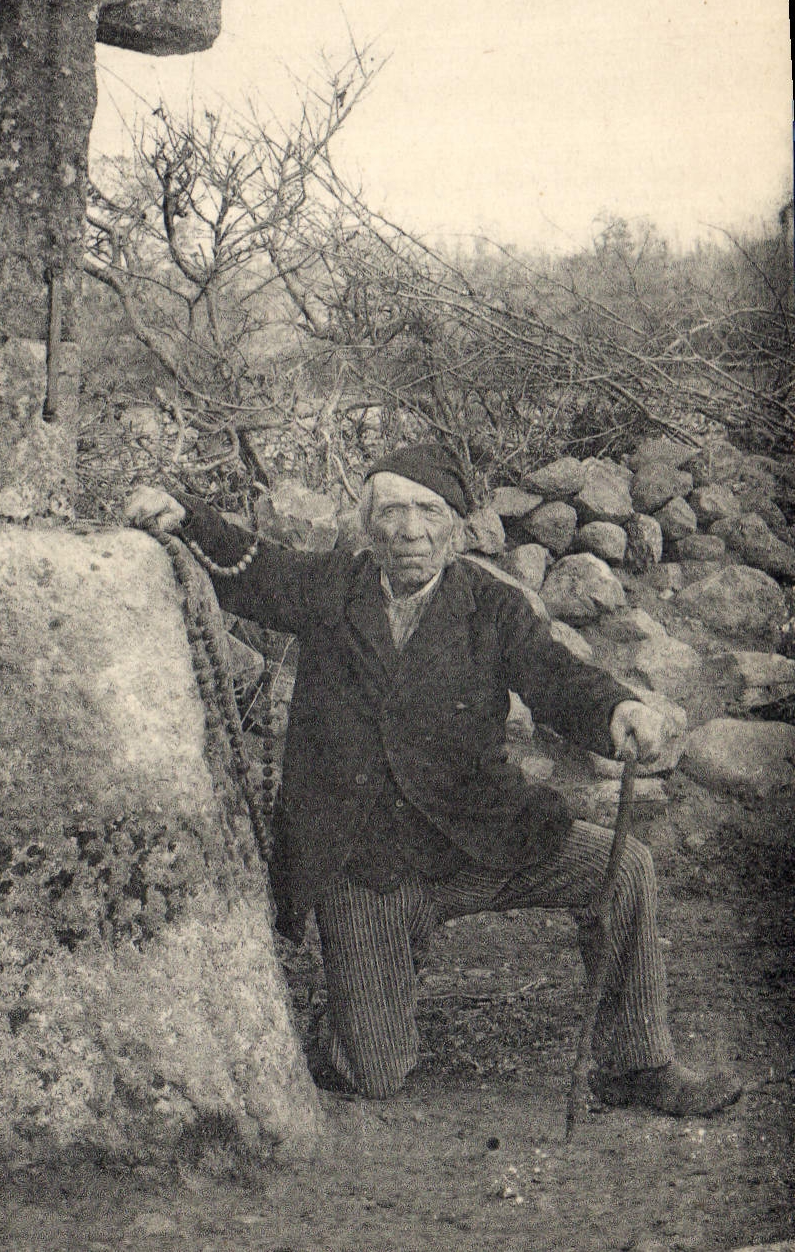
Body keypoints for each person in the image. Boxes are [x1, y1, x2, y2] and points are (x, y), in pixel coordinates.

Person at [125, 443, 741, 1115]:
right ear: (368, 525)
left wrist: (618, 708)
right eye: (392, 511)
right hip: (367, 863)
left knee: (623, 867)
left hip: (476, 842)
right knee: (374, 1075)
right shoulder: (329, 586)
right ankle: (356, 1006)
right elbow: (251, 567)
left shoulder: (492, 607)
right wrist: (184, 516)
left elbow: (555, 675)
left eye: (429, 511)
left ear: (457, 527)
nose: (411, 530)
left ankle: (637, 1064)